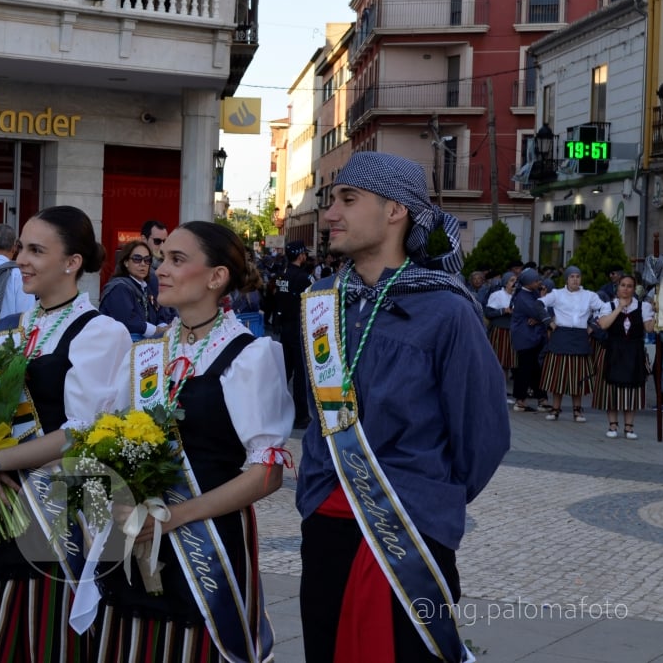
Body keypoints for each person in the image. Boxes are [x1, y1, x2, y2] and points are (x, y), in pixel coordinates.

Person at [297, 152, 509, 663]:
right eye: (331, 200)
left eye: (348, 199)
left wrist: (425, 495)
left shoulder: (446, 310)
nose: (330, 214)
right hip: (327, 524)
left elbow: (481, 436)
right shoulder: (320, 302)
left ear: (395, 211)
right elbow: (313, 412)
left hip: (410, 531)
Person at [0, 205, 133, 662]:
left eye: (37, 250)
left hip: (57, 514)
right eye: (22, 247)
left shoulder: (101, 332)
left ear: (72, 262)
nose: (21, 258)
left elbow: (80, 434)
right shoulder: (5, 330)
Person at [96, 220, 293, 662]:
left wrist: (174, 516)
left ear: (216, 277)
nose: (160, 269)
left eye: (176, 260)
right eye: (162, 258)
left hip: (208, 537)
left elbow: (267, 473)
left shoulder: (250, 355)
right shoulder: (148, 353)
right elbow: (114, 439)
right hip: (141, 533)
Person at [540, 266, 606, 422]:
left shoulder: (589, 295)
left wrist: (594, 326)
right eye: (572, 276)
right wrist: (548, 321)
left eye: (578, 276)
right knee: (558, 376)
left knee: (578, 376)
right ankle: (555, 409)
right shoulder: (557, 294)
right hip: (561, 335)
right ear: (567, 279)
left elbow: (605, 308)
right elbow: (538, 304)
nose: (575, 279)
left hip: (580, 336)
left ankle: (577, 410)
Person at [594, 274, 653, 440]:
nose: (626, 289)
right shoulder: (609, 305)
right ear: (617, 287)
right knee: (612, 389)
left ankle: (629, 427)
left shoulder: (643, 306)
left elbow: (649, 329)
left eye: (629, 286)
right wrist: (619, 308)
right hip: (614, 350)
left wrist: (657, 312)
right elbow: (604, 325)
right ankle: (612, 425)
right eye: (623, 285)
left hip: (634, 351)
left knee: (631, 390)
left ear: (634, 289)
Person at [273, 240, 313, 428]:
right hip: (298, 327)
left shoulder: (281, 275)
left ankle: (277, 410)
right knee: (300, 374)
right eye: (304, 253)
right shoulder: (304, 278)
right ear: (300, 255)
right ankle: (301, 415)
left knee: (284, 371)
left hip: (284, 327)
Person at [99, 238, 168, 339]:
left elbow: (158, 313)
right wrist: (157, 330)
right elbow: (127, 320)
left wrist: (164, 327)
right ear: (126, 262)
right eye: (137, 259)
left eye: (147, 260)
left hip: (144, 348)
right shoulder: (118, 288)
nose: (143, 264)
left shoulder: (146, 288)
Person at [510, 268, 550, 413]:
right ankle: (520, 401)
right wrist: (543, 299)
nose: (539, 282)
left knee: (535, 369)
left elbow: (541, 314)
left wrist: (539, 318)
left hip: (532, 337)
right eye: (536, 280)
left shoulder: (530, 293)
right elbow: (539, 311)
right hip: (525, 337)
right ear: (528, 283)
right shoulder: (523, 296)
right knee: (525, 370)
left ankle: (540, 398)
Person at [485, 272, 517, 398]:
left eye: (515, 280)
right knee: (498, 361)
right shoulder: (497, 295)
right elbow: (488, 312)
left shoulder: (517, 295)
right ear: (505, 282)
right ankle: (494, 388)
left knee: (507, 363)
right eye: (511, 280)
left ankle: (502, 390)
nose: (514, 283)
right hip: (499, 331)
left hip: (511, 331)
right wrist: (503, 310)